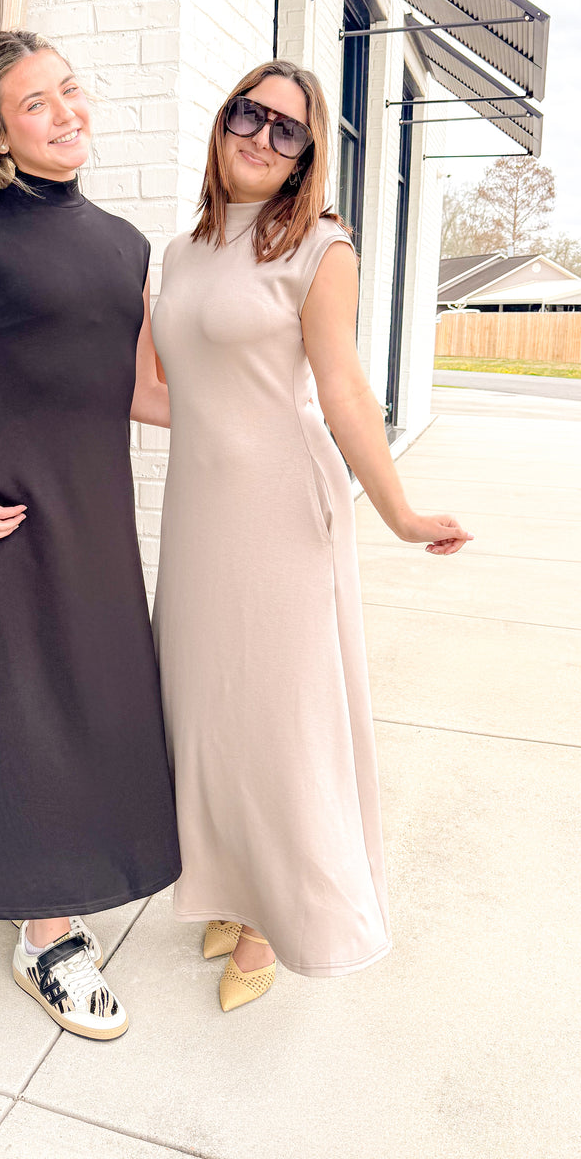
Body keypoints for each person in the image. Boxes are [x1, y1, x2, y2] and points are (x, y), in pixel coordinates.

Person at [151, 60, 471, 1011]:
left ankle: (275, 917)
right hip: (198, 511)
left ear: (305, 156)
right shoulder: (181, 252)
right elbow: (161, 391)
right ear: (223, 122)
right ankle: (228, 885)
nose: (261, 136)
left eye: (286, 129)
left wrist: (400, 512)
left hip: (282, 511)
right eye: (248, 115)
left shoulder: (321, 249)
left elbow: (343, 391)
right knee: (206, 711)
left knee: (280, 723)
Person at [0, 29, 180, 1041]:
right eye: (36, 103)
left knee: (97, 687)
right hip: (12, 495)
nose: (66, 113)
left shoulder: (127, 246)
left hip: (97, 498)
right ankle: (46, 938)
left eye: (69, 90)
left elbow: (143, 391)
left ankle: (76, 878)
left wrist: (266, 411)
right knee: (26, 702)